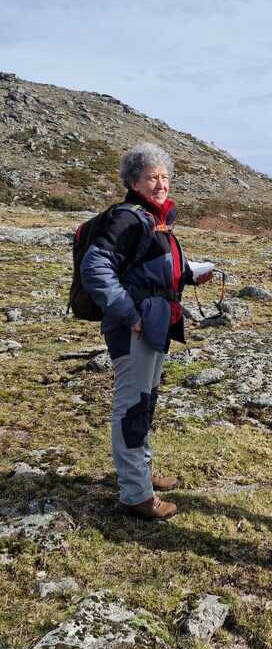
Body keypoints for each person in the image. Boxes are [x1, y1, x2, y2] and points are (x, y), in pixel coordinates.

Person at [80, 141, 212, 521]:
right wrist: (128, 313)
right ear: (134, 182)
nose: (161, 184)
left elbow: (155, 269)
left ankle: (141, 473)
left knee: (146, 401)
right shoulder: (127, 219)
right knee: (132, 405)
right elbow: (95, 268)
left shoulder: (156, 220)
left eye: (165, 177)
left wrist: (190, 274)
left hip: (155, 322)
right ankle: (135, 494)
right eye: (152, 177)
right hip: (134, 326)